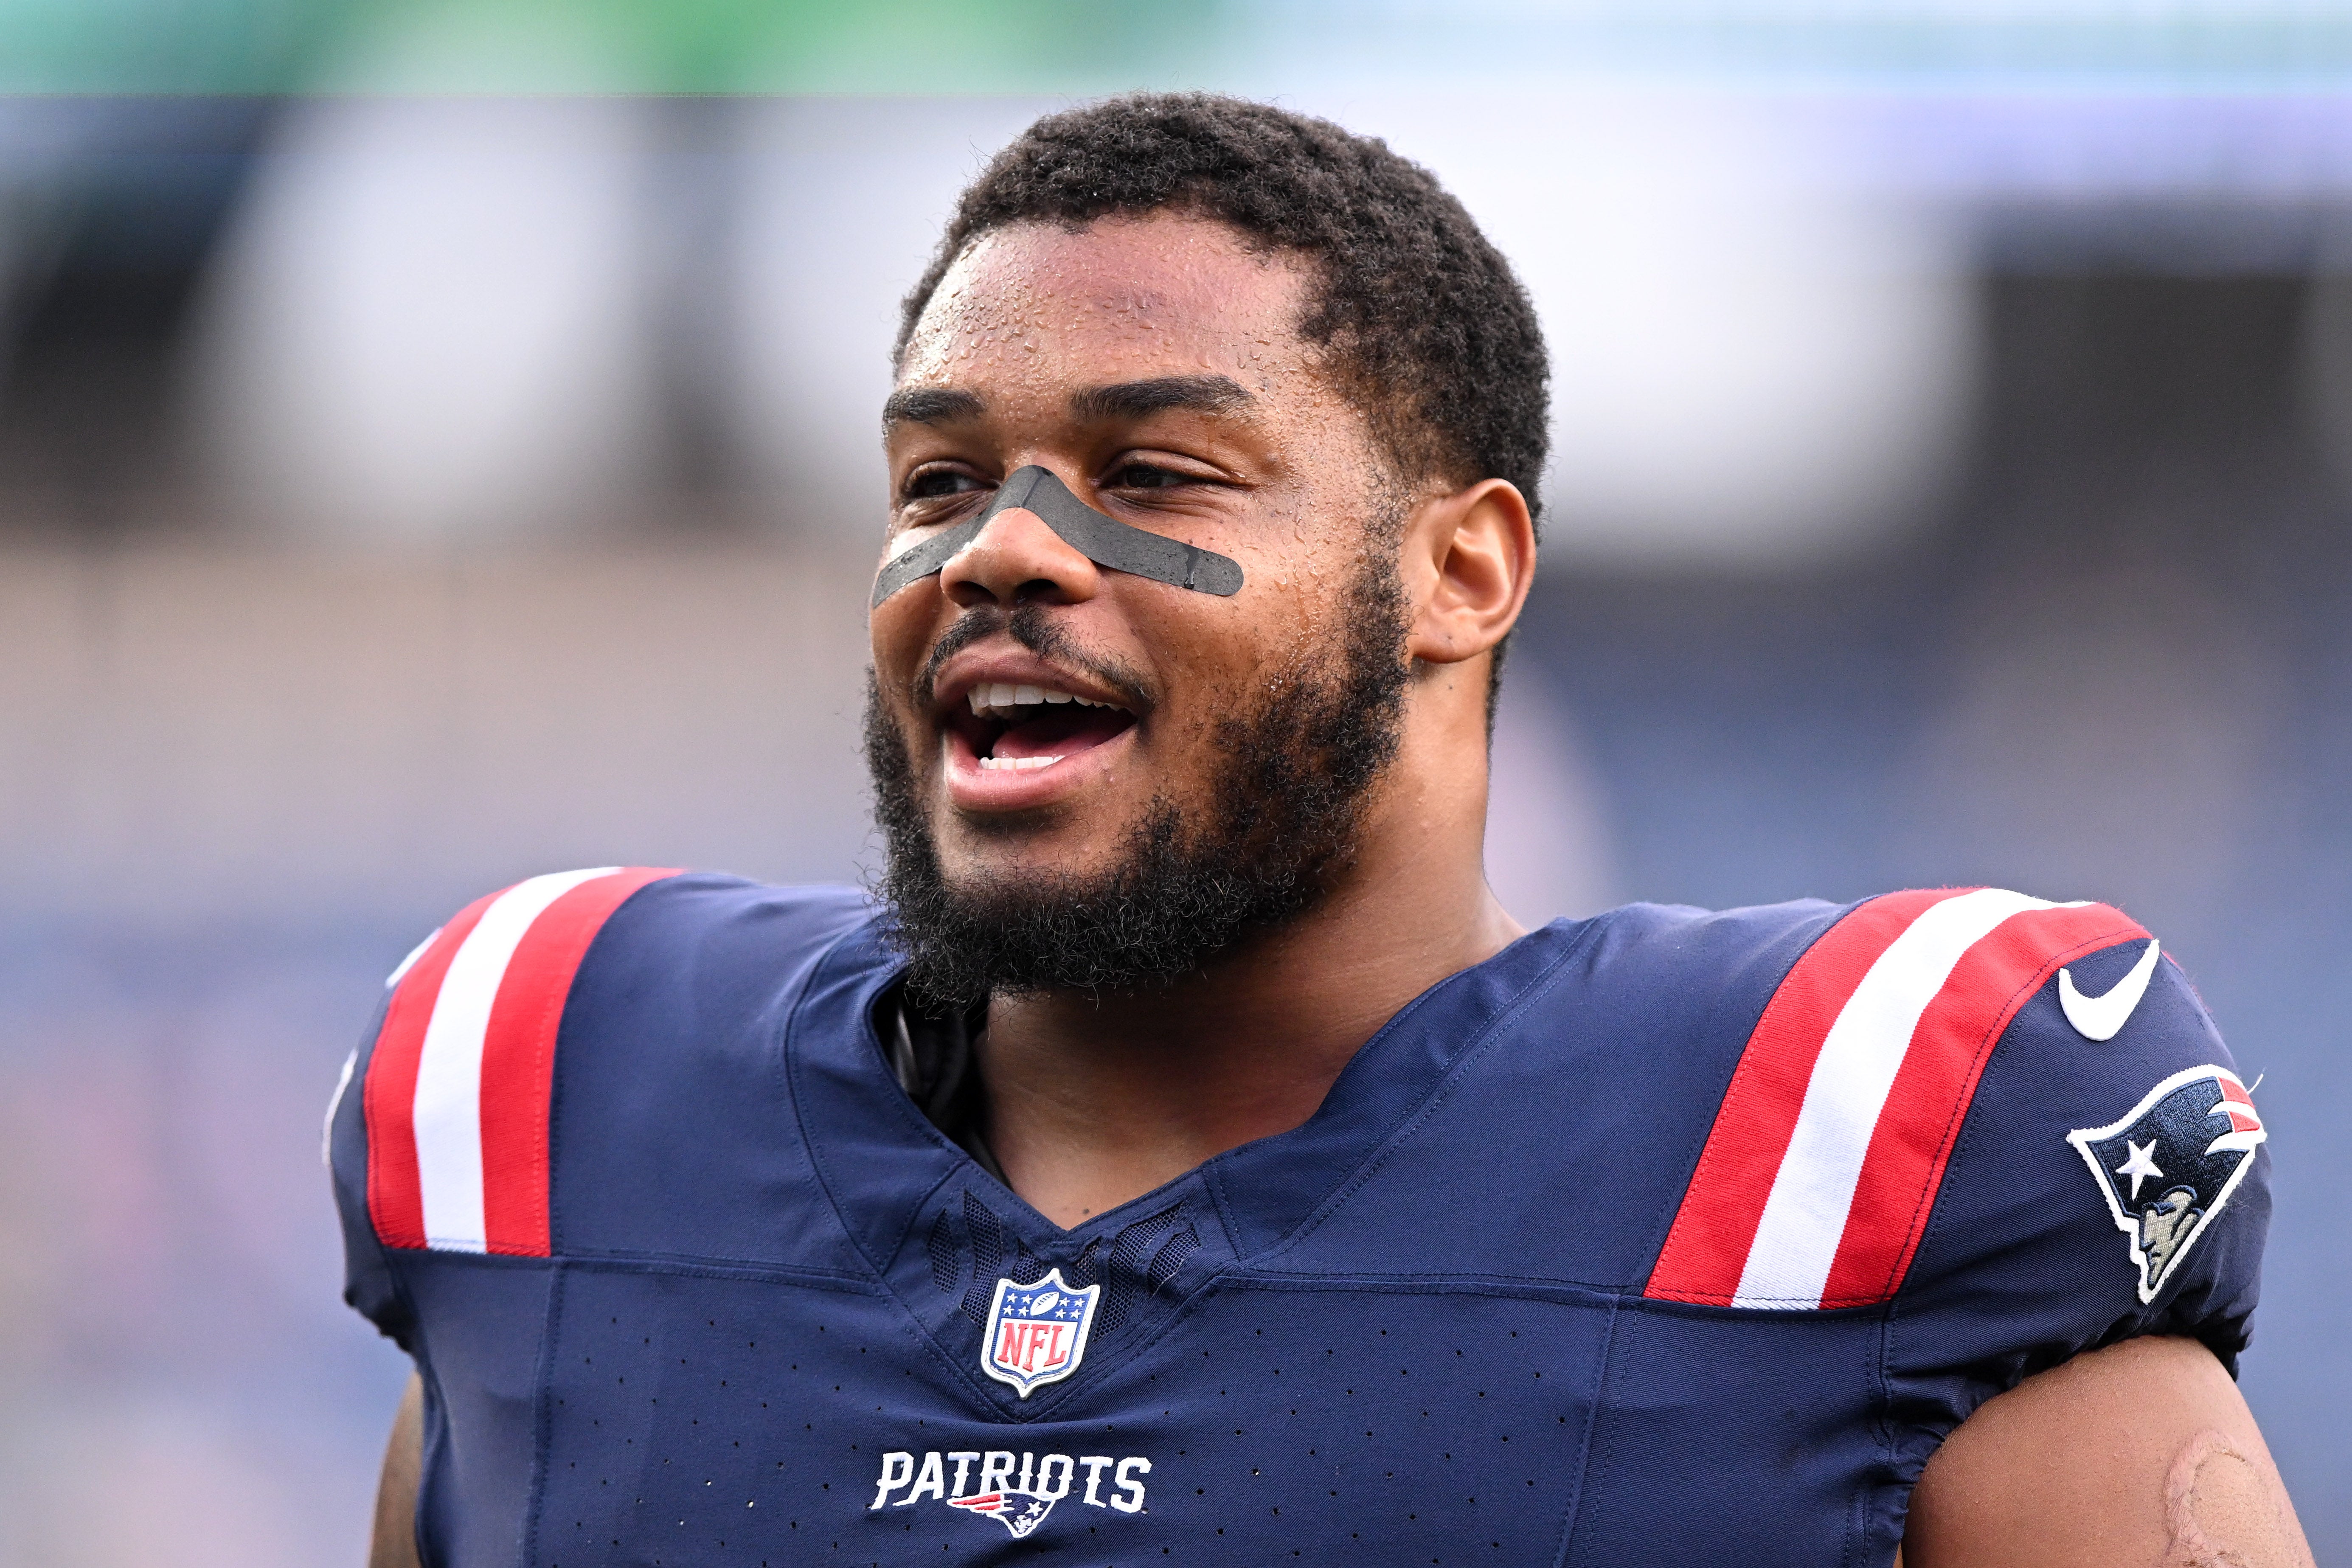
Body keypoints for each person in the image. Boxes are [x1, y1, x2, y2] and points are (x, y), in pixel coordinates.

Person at [331, 94, 2313, 1567]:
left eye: (1161, 471)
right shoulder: (563, 1104)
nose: (1001, 548)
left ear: (1461, 571)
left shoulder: (1862, 1149)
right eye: (936, 476)